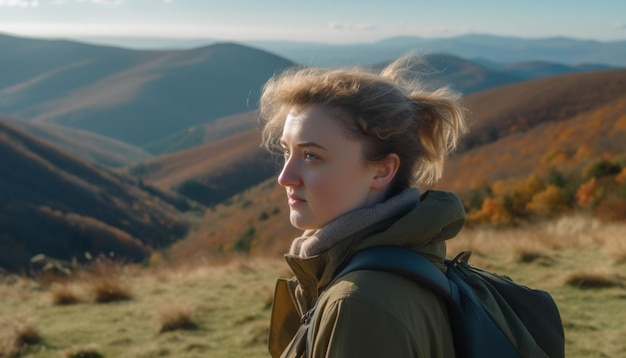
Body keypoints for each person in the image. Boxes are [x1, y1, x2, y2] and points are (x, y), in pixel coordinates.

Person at [259, 54, 468, 358]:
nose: (284, 177)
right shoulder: (406, 261)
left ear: (382, 170)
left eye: (311, 156)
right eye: (286, 152)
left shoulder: (358, 305)